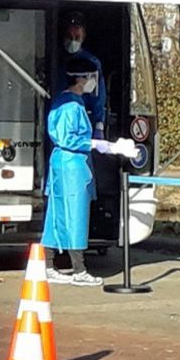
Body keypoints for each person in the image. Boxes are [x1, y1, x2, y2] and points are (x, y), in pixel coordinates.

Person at [41, 57, 117, 286]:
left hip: (61, 165)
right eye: (90, 77)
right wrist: (94, 144)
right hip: (73, 167)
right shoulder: (72, 105)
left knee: (56, 215)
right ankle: (79, 270)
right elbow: (67, 138)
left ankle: (49, 265)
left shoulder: (63, 101)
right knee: (76, 215)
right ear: (81, 78)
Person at [55, 11, 106, 139]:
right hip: (57, 118)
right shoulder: (54, 60)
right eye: (69, 36)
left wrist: (99, 125)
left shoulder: (92, 64)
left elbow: (98, 97)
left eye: (77, 37)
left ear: (83, 37)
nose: (73, 41)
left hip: (81, 124)